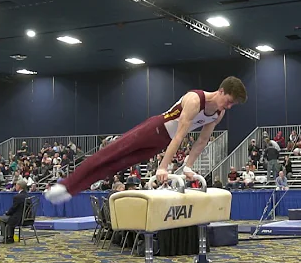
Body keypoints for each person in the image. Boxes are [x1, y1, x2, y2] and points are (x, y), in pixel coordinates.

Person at [44, 77, 247, 204]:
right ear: (221, 91)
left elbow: (202, 141)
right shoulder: (195, 100)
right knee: (107, 155)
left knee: (114, 166)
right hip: (153, 129)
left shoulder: (217, 114)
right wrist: (163, 167)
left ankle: (71, 191)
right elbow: (180, 136)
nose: (228, 107)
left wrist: (188, 166)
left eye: (233, 105)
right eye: (229, 101)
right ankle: (66, 185)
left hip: (160, 143)